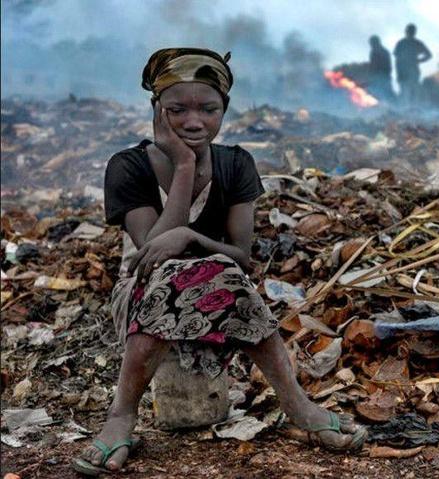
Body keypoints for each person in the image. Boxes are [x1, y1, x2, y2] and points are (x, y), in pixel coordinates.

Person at [72, 47, 366, 476]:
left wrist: (191, 235)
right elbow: (151, 252)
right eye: (177, 110)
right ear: (157, 111)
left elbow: (242, 258)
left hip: (224, 293)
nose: (194, 122)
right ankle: (121, 416)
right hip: (141, 293)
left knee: (222, 272)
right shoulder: (127, 167)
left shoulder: (236, 164)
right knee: (176, 276)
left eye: (208, 109)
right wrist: (186, 164)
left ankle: (296, 404)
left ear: (224, 109)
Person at [393, 23, 432, 105]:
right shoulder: (403, 43)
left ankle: (411, 110)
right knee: (406, 91)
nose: (409, 33)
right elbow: (396, 56)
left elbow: (429, 55)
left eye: (411, 31)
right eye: (409, 31)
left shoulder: (412, 43)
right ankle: (407, 109)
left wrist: (418, 61)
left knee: (411, 91)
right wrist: (418, 61)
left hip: (411, 71)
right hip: (404, 71)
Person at [368, 35, 394, 101]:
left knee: (386, 94)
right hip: (377, 77)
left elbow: (388, 66)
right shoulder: (373, 52)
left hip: (383, 77)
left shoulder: (383, 52)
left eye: (372, 43)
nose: (371, 45)